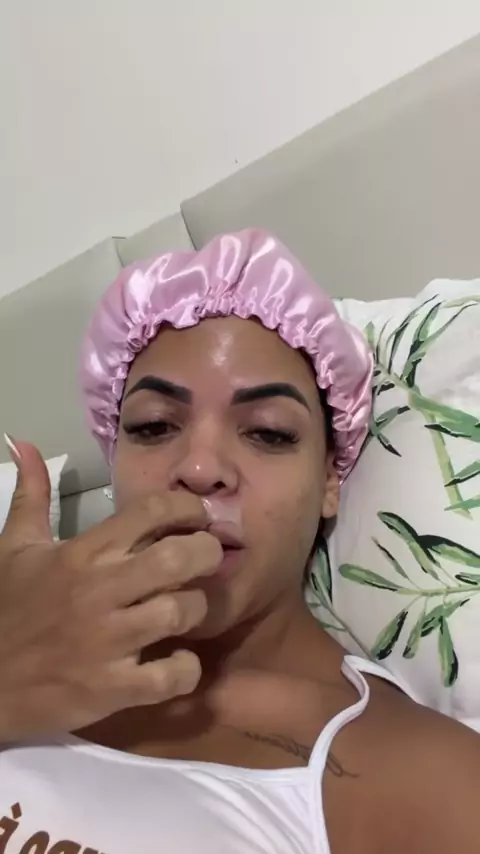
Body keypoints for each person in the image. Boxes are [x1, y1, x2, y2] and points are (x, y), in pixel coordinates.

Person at [0, 229, 479, 854]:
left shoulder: (422, 783)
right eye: (154, 426)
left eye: (269, 433)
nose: (201, 468)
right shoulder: (17, 636)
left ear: (329, 481)